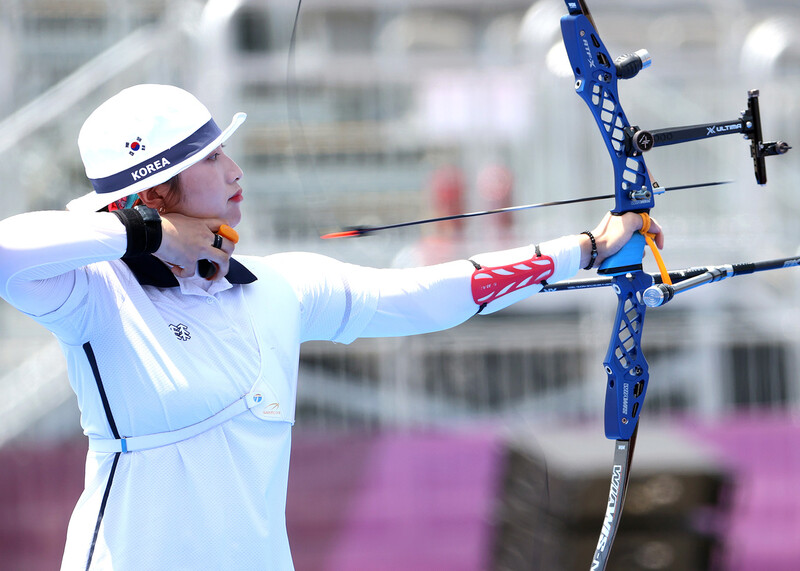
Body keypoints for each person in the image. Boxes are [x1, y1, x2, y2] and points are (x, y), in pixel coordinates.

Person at [0, 84, 662, 570]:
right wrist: (144, 235)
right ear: (154, 193)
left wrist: (587, 247)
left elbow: (421, 294)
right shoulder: (94, 294)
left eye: (226, 152)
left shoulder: (277, 288)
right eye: (209, 160)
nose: (235, 173)